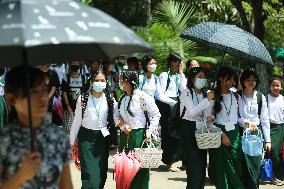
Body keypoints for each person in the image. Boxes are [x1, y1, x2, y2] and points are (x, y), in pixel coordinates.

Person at [0, 65, 73, 189]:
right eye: (33, 93)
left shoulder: (59, 136)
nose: (42, 98)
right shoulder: (4, 139)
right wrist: (21, 176)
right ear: (12, 99)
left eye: (43, 90)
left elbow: (66, 185)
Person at [114, 70, 161, 189]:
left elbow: (156, 114)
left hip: (140, 137)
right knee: (125, 169)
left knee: (139, 171)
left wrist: (149, 131)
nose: (119, 82)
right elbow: (116, 116)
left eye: (121, 79)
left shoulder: (142, 96)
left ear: (126, 81)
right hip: (125, 137)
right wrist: (123, 126)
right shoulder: (122, 98)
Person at [69, 71, 115, 189]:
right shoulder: (83, 99)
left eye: (102, 80)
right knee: (89, 174)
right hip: (86, 139)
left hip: (102, 139)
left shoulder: (110, 99)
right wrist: (72, 141)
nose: (100, 83)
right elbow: (77, 121)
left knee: (101, 175)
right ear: (91, 82)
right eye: (97, 80)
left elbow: (118, 116)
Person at [207, 67, 245, 188]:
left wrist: (248, 122)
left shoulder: (236, 96)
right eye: (229, 79)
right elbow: (208, 122)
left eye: (233, 79)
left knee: (237, 167)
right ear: (220, 78)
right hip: (219, 134)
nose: (231, 82)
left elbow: (237, 117)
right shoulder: (212, 95)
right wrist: (221, 135)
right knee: (220, 169)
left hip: (235, 134)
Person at [179, 67, 214, 188]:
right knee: (193, 164)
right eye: (200, 77)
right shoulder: (187, 92)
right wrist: (207, 100)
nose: (202, 79)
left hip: (201, 128)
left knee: (202, 163)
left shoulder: (205, 93)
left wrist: (210, 117)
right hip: (188, 128)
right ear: (193, 79)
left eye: (204, 77)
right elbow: (192, 112)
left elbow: (208, 113)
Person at [237, 68, 271, 189]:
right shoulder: (237, 96)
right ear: (242, 81)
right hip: (241, 134)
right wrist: (246, 122)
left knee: (255, 165)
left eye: (254, 80)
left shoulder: (261, 97)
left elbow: (265, 120)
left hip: (256, 135)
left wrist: (268, 141)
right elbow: (235, 117)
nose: (251, 82)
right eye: (248, 79)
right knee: (243, 167)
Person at [158, 52, 187, 172]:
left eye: (178, 62)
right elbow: (159, 94)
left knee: (176, 133)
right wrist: (172, 103)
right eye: (174, 61)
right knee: (168, 134)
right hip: (167, 105)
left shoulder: (178, 75)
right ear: (170, 62)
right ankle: (169, 162)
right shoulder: (164, 75)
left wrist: (181, 74)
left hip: (177, 105)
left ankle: (174, 160)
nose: (176, 64)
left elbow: (184, 89)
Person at [61, 61, 87, 132]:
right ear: (70, 65)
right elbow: (64, 93)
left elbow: (85, 92)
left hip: (79, 108)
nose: (75, 65)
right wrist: (67, 106)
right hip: (69, 109)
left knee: (79, 130)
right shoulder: (66, 78)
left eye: (76, 63)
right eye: (73, 63)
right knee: (68, 129)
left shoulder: (83, 77)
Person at [267, 78, 284, 185]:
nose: (275, 88)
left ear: (281, 87)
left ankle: (277, 176)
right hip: (268, 126)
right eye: (273, 85)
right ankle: (272, 175)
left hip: (280, 127)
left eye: (278, 85)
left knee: (276, 151)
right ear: (270, 87)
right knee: (271, 150)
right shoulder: (265, 98)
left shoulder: (283, 99)